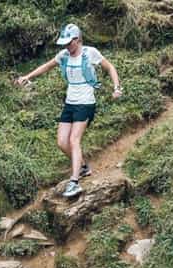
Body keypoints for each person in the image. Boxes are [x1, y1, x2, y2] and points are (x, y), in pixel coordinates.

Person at [15, 22, 122, 198]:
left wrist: (116, 87)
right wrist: (28, 76)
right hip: (70, 103)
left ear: (77, 39)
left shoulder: (90, 53)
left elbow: (110, 67)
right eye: (64, 43)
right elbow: (47, 66)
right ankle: (83, 167)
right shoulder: (64, 55)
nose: (66, 46)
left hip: (86, 103)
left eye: (69, 43)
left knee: (74, 140)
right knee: (61, 142)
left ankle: (74, 182)